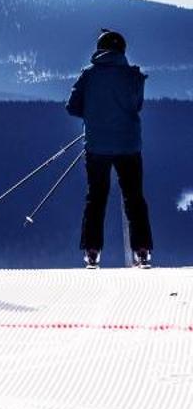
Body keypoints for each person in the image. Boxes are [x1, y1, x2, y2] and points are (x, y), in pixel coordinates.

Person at [66, 29, 153, 268]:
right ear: (122, 50)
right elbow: (137, 106)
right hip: (128, 145)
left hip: (97, 147)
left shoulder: (88, 75)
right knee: (134, 197)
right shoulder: (133, 76)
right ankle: (142, 251)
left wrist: (94, 113)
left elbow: (72, 107)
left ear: (99, 49)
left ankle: (92, 252)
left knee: (96, 198)